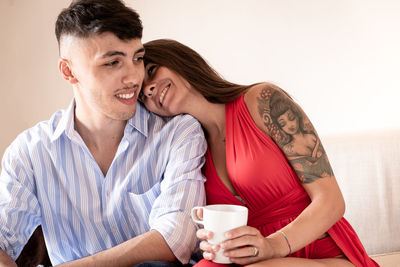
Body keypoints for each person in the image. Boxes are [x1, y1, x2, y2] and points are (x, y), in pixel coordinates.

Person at [0, 1, 206, 266]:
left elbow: (177, 238)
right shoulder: (29, 152)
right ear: (69, 71)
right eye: (112, 63)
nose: (133, 77)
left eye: (137, 58)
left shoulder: (180, 132)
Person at [140, 39, 379, 267]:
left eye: (151, 70)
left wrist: (272, 245)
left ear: (178, 59)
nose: (149, 89)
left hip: (323, 252)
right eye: (142, 95)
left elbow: (332, 201)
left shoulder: (263, 101)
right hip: (255, 259)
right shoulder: (191, 151)